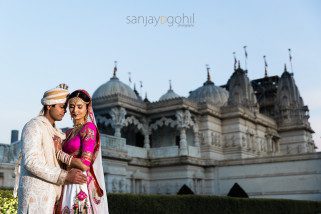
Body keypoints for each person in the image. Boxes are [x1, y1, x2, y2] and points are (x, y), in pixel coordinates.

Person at [17, 84, 88, 214]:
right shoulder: (34, 126)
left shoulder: (60, 133)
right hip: (36, 198)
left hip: (55, 198)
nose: (65, 111)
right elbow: (31, 162)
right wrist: (65, 176)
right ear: (49, 106)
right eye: (62, 107)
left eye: (65, 108)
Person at [55, 89, 109, 214]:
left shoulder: (89, 128)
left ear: (87, 108)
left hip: (79, 182)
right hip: (66, 179)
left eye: (79, 107)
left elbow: (85, 164)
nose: (75, 111)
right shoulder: (68, 132)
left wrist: (60, 154)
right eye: (72, 107)